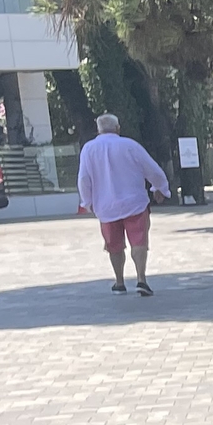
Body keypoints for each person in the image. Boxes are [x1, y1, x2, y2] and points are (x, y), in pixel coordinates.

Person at [76, 113, 173, 295]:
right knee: (139, 241)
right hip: (134, 203)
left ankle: (119, 282)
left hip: (105, 206)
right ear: (118, 128)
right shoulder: (130, 145)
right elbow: (152, 169)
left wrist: (87, 202)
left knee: (114, 245)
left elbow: (83, 179)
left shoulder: (89, 149)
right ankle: (141, 279)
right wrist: (160, 188)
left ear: (98, 130)